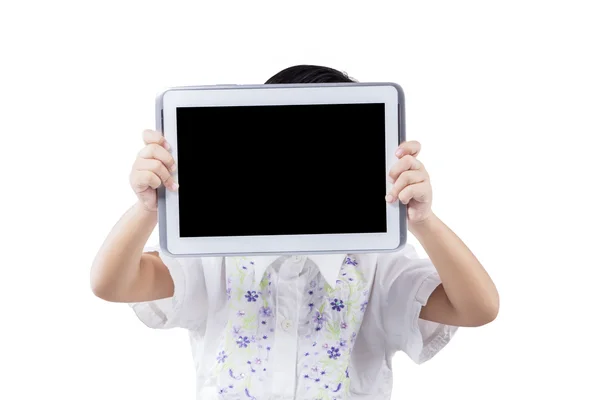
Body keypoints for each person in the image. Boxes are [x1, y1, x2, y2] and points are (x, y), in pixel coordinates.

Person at [91, 65, 499, 400]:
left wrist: (422, 219)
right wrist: (148, 208)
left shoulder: (379, 265)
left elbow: (478, 308)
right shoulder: (212, 257)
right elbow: (111, 283)